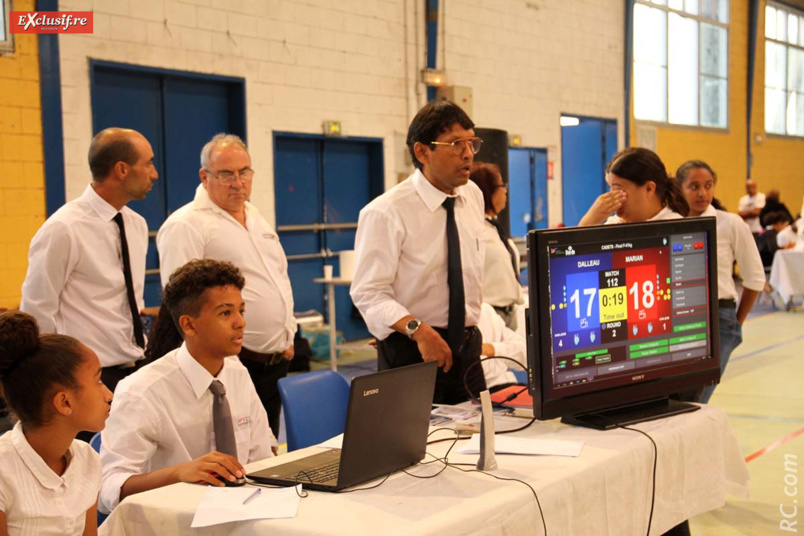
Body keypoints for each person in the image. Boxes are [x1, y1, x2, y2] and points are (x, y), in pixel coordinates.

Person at [98, 259, 276, 514]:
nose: (240, 322)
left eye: (241, 311)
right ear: (189, 325)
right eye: (225, 313)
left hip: (241, 512)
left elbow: (261, 458)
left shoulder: (237, 373)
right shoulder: (143, 392)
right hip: (172, 521)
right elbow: (108, 488)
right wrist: (179, 473)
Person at [156, 134, 296, 438]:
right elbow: (180, 300)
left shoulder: (257, 218)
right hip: (229, 363)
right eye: (227, 174)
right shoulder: (187, 224)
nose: (238, 182)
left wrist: (289, 330)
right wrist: (222, 358)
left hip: (274, 361)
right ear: (205, 177)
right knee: (230, 452)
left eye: (244, 172)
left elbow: (278, 276)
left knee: (264, 449)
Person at [350, 99, 487, 404]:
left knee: (480, 439)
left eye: (471, 143)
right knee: (414, 447)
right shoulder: (386, 212)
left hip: (467, 350)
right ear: (423, 152)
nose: (467, 154)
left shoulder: (472, 196)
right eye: (455, 144)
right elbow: (368, 293)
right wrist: (418, 330)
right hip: (414, 351)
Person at [20, 128, 157, 394]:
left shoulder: (136, 224)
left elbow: (130, 301)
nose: (154, 173)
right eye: (149, 163)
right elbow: (37, 310)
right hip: (87, 378)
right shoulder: (64, 228)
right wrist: (54, 378)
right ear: (122, 169)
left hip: (138, 369)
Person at [0, 311, 113, 535]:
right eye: (98, 381)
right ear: (64, 402)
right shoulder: (4, 470)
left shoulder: (87, 458)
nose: (109, 394)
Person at [676, 160, 765, 404]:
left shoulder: (730, 223)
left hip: (719, 319)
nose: (702, 193)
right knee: (675, 399)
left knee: (696, 400)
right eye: (694, 186)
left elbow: (755, 277)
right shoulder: (670, 222)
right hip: (678, 319)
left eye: (708, 185)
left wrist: (736, 321)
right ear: (679, 188)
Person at [469, 162, 524, 330]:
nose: (505, 191)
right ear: (486, 191)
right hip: (489, 314)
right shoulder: (473, 229)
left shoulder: (493, 227)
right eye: (501, 186)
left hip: (508, 312)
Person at [579, 147, 689, 226]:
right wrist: (589, 221)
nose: (612, 196)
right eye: (610, 188)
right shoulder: (614, 223)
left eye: (618, 189)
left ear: (649, 189)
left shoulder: (674, 225)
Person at [476, 303, 526, 391]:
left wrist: (494, 349)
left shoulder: (485, 310)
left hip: (511, 386)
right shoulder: (448, 318)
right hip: (484, 391)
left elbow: (525, 353)